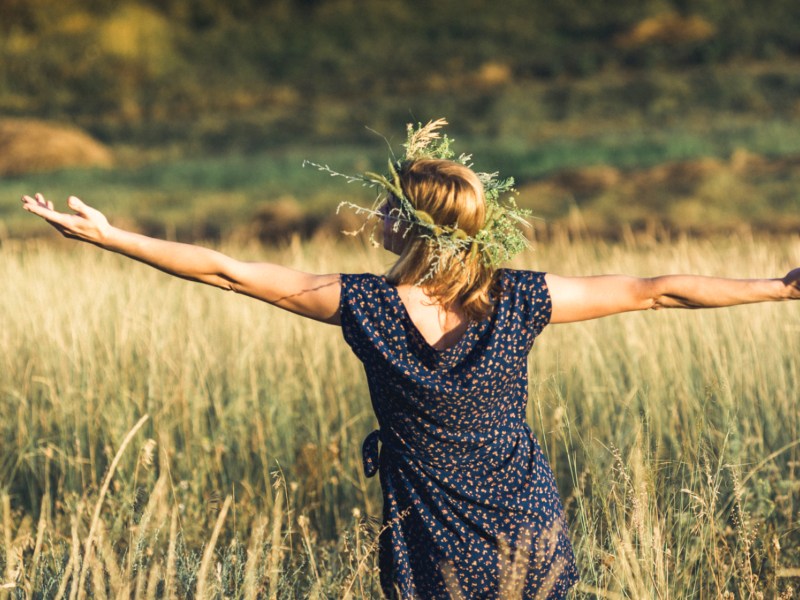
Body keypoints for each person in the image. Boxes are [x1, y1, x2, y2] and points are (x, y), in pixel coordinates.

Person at [21, 156, 799, 599]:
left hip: (425, 529)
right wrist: (779, 289)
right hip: (523, 518)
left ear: (416, 224)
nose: (379, 211)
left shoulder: (362, 304)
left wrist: (111, 238)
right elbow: (656, 289)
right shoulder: (521, 299)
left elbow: (225, 273)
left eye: (391, 203)